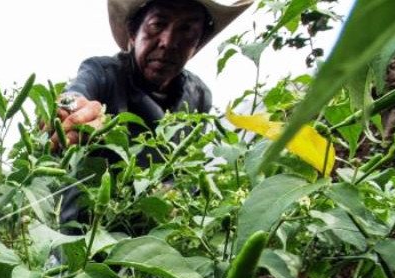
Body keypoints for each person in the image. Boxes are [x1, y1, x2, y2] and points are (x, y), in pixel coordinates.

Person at [55, 0, 252, 231]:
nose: (168, 43)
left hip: (148, 244)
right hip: (82, 238)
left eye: (186, 30)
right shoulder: (104, 73)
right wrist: (70, 109)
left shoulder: (199, 96)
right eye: (158, 24)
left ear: (197, 42)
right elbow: (75, 94)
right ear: (133, 32)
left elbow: (187, 167)